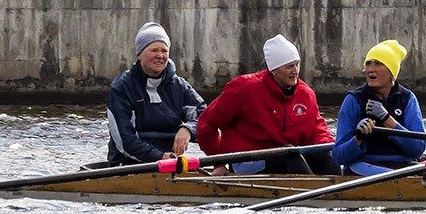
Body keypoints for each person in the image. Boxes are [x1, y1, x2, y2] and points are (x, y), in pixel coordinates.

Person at [197, 34, 339, 175]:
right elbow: (207, 123)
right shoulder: (244, 89)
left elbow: (318, 131)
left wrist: (328, 150)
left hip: (290, 156)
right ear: (274, 69)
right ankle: (314, 193)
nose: (295, 71)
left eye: (297, 64)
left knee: (324, 154)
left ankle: (340, 191)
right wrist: (218, 163)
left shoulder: (306, 94)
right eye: (289, 66)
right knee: (288, 154)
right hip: (248, 160)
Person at [107, 22, 207, 166]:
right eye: (154, 50)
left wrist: (188, 129)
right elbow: (125, 140)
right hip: (128, 164)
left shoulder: (179, 86)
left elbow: (205, 115)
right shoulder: (121, 88)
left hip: (169, 163)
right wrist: (158, 156)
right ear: (139, 54)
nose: (160, 56)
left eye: (164, 51)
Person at [332, 39, 426, 175]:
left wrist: (387, 119)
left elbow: (417, 149)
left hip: (403, 164)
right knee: (398, 179)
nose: (370, 69)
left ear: (391, 72)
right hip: (364, 165)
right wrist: (358, 137)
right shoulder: (354, 100)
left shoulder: (407, 99)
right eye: (368, 63)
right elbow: (338, 156)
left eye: (378, 64)